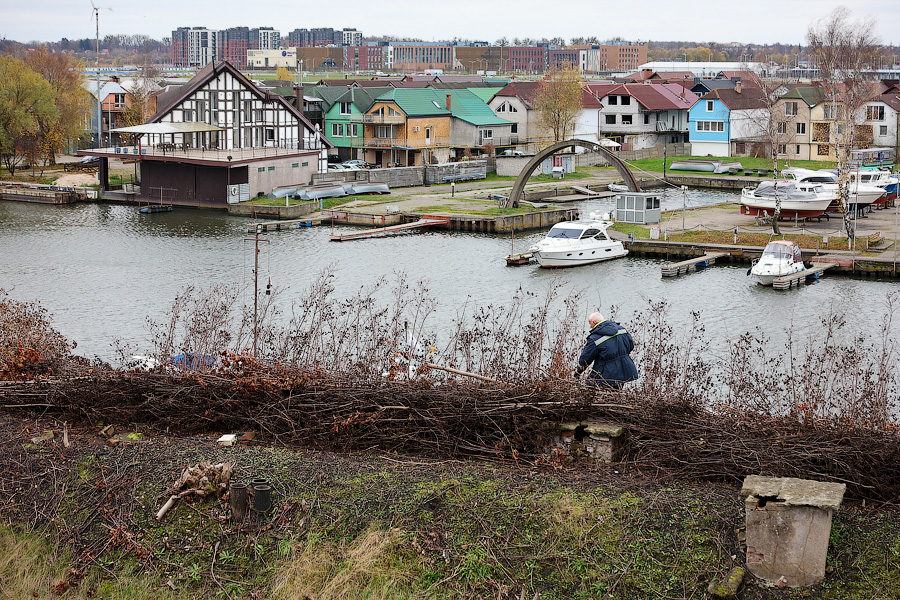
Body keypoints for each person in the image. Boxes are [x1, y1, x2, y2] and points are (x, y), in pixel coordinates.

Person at [575, 312, 638, 389]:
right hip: (624, 368)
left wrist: (578, 373)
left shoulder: (594, 338)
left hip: (605, 373)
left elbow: (585, 360)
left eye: (590, 323)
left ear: (594, 322)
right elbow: (631, 346)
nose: (590, 327)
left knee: (589, 389)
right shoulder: (622, 329)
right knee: (617, 393)